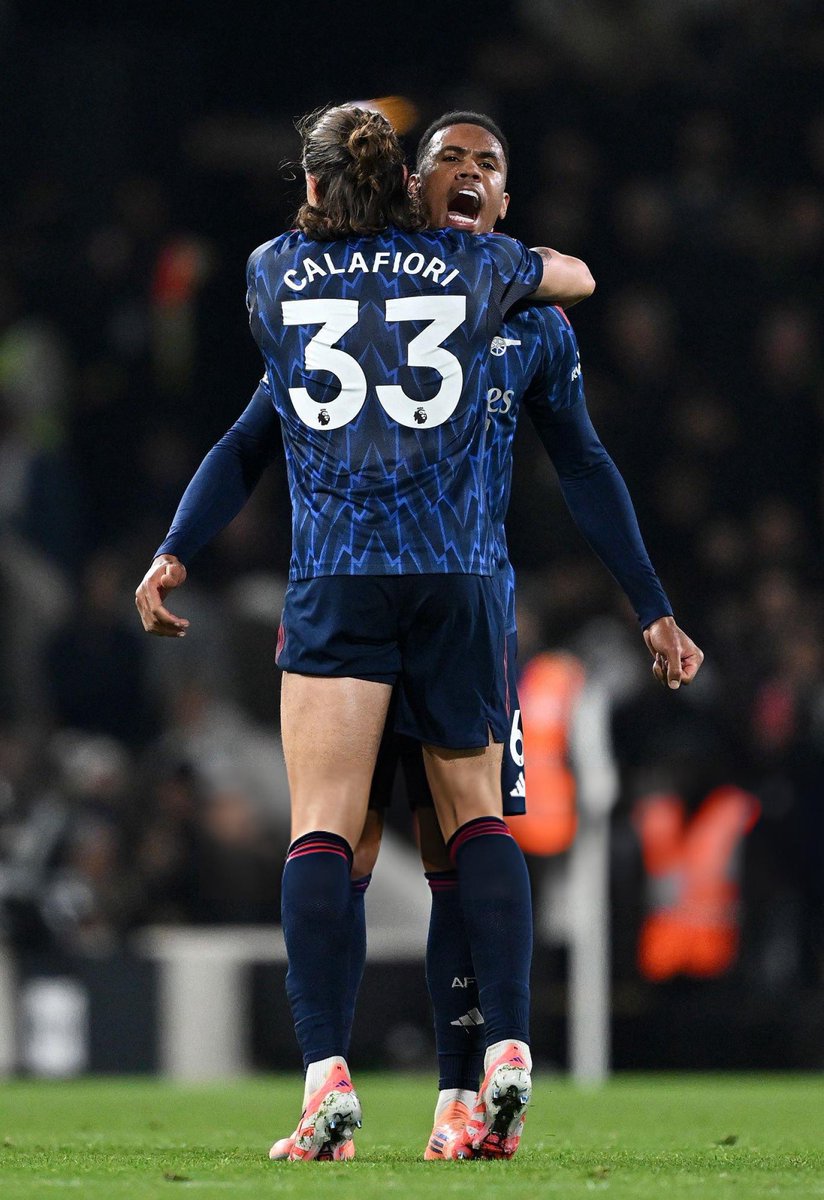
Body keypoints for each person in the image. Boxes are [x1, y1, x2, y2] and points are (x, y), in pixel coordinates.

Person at [135, 103, 594, 1163]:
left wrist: (171, 549)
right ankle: (501, 1057)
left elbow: (260, 425)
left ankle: (325, 1077)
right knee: (468, 828)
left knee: (327, 829)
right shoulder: (469, 270)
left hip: (339, 576)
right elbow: (569, 281)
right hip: (454, 579)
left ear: (308, 185)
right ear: (409, 180)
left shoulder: (268, 274)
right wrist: (528, 263)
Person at [302, 111, 704, 1161]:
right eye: (449, 160)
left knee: (436, 847)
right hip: (430, 601)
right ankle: (477, 1066)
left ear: (506, 201)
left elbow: (583, 467)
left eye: (488, 164)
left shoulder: (521, 323)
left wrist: (648, 599)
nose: (469, 172)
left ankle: (446, 1092)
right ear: (412, 189)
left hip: (412, 606)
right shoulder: (379, 299)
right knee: (403, 836)